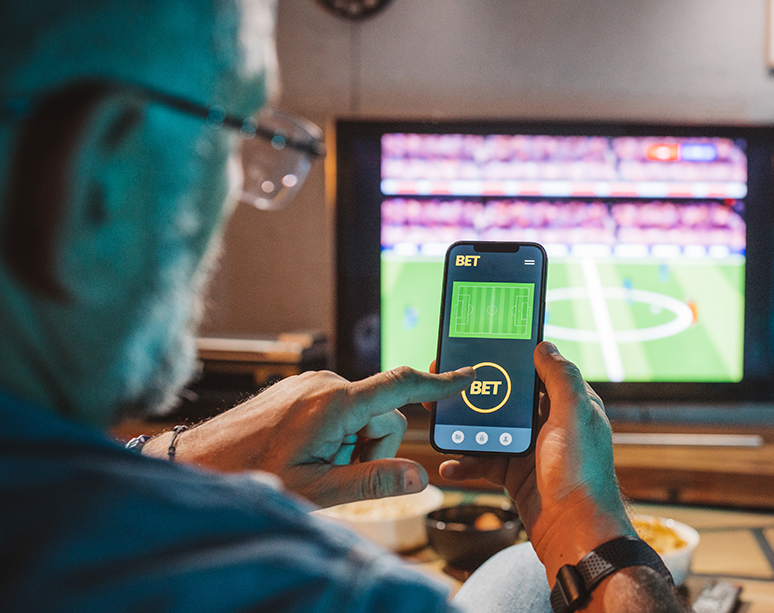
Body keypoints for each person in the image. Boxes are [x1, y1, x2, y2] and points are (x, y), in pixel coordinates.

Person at [0, 2, 685, 612]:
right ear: (103, 175)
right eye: (233, 132)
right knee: (528, 572)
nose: (240, 190)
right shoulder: (327, 592)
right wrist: (584, 526)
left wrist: (175, 461)